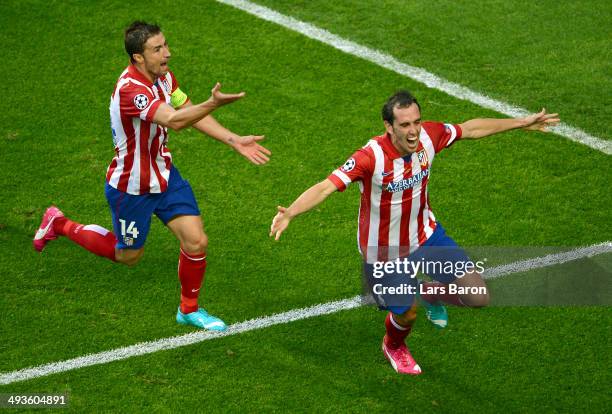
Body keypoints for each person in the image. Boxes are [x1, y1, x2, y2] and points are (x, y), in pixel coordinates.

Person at [270, 90, 558, 374]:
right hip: (383, 251)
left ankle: (428, 292)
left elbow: (470, 128)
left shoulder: (429, 137)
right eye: (405, 125)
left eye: (416, 122)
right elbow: (325, 186)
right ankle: (394, 346)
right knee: (406, 313)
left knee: (477, 296)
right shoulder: (370, 157)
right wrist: (291, 213)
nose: (413, 132)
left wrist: (521, 122)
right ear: (389, 126)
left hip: (426, 236)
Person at [33, 21, 271, 331]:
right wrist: (211, 102)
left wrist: (233, 139)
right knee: (128, 255)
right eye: (157, 49)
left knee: (196, 241)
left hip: (165, 175)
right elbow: (174, 120)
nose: (167, 54)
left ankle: (188, 309)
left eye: (165, 45)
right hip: (131, 187)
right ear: (137, 58)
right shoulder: (132, 90)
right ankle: (60, 223)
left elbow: (185, 108)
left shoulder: (164, 77)